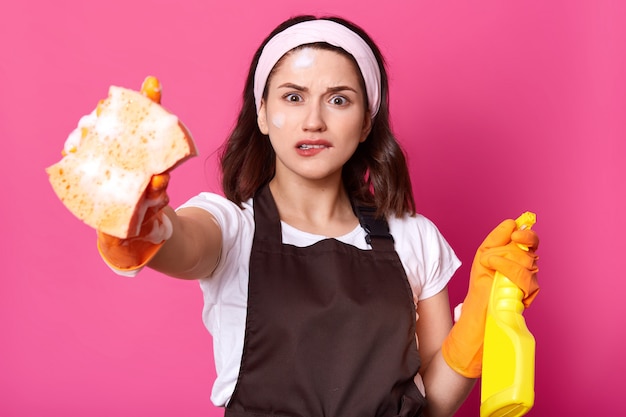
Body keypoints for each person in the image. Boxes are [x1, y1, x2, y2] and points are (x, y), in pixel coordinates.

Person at [97, 15, 539, 417]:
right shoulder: (231, 228)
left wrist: (479, 322)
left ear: (366, 122)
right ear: (264, 114)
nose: (313, 121)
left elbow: (433, 404)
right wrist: (140, 224)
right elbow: (183, 244)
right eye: (293, 97)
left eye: (339, 100)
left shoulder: (416, 239)